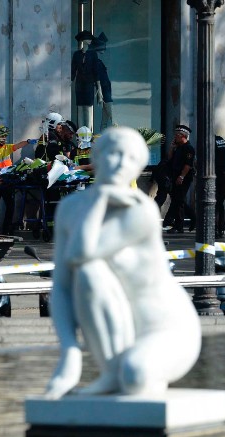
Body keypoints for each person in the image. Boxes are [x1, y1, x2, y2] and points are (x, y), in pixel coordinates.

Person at [44, 126, 201, 399]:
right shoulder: (70, 208)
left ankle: (117, 373)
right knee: (89, 273)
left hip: (168, 328)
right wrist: (69, 352)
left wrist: (101, 196)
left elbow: (82, 251)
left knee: (136, 375)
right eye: (113, 154)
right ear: (97, 157)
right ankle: (110, 371)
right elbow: (62, 286)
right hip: (122, 330)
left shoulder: (141, 210)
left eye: (130, 159)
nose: (119, 164)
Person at [0, 125, 32, 234]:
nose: (4, 138)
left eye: (5, 136)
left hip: (8, 180)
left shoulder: (7, 147)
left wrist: (28, 141)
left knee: (10, 205)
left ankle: (7, 229)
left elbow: (18, 145)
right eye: (2, 136)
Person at [163, 125, 196, 233]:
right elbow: (169, 158)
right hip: (175, 176)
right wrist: (171, 148)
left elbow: (188, 165)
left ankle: (193, 219)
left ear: (183, 136)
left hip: (184, 177)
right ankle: (179, 225)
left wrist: (181, 176)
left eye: (177, 135)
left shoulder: (188, 148)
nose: (175, 137)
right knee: (178, 201)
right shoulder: (178, 147)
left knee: (179, 200)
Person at [71, 31, 101, 130]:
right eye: (88, 38)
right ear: (83, 40)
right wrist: (70, 83)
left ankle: (88, 132)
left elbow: (96, 72)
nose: (90, 40)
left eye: (90, 38)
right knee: (80, 108)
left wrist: (99, 89)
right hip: (79, 84)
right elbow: (73, 70)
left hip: (89, 84)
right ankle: (81, 133)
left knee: (88, 108)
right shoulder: (76, 54)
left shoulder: (93, 55)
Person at [90, 32, 114, 130]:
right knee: (111, 117)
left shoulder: (98, 61)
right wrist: (100, 93)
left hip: (106, 89)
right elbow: (98, 78)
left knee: (105, 119)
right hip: (105, 91)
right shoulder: (96, 62)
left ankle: (102, 136)